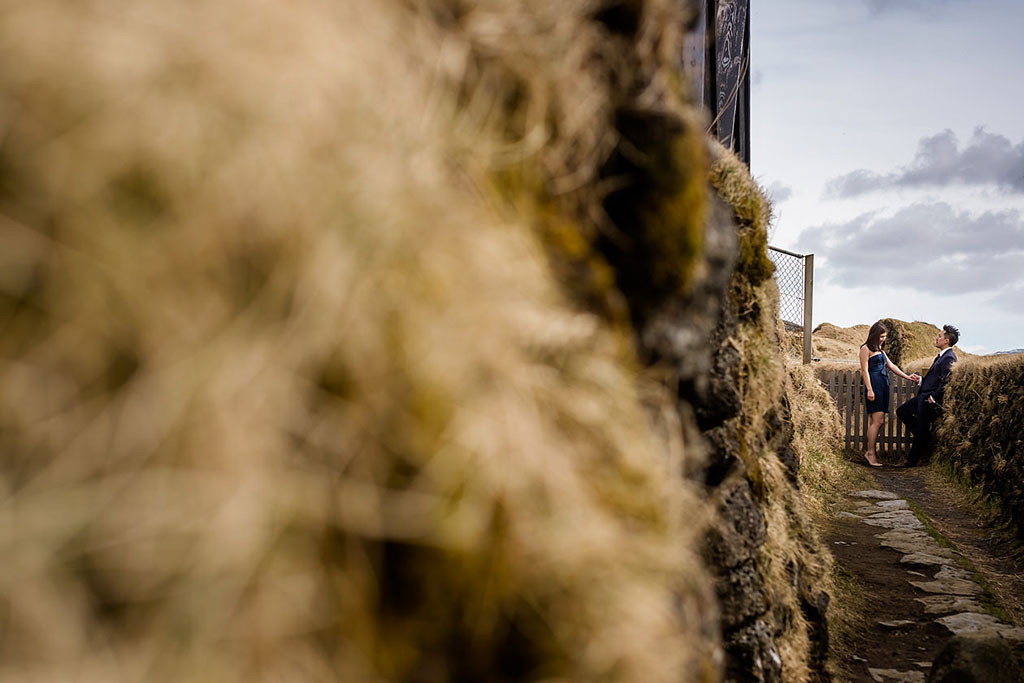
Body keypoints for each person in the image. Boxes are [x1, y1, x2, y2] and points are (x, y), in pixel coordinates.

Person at [895, 324, 960, 467]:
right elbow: (935, 379)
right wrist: (921, 380)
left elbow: (946, 380)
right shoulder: (941, 356)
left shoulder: (949, 358)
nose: (937, 338)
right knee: (902, 411)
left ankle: (911, 461)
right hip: (924, 395)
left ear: (947, 341)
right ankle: (927, 440)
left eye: (940, 336)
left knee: (920, 428)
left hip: (929, 398)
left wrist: (934, 397)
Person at [859, 321, 919, 467]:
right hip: (875, 386)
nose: (883, 339)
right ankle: (870, 453)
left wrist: (907, 376)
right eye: (880, 336)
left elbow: (891, 366)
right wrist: (870, 389)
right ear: (874, 335)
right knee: (878, 421)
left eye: (884, 337)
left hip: (883, 387)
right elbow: (865, 370)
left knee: (877, 421)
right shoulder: (865, 349)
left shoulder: (881, 350)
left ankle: (871, 452)